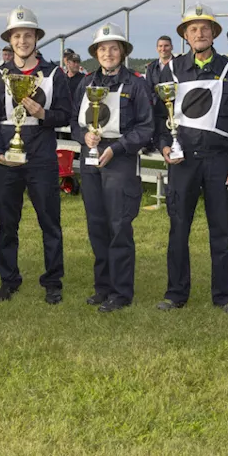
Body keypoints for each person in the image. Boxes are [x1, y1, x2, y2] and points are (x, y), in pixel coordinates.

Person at [156, 3, 228, 315]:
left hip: (219, 162)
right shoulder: (170, 70)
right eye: (192, 29)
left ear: (213, 34)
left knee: (221, 231)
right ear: (185, 35)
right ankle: (175, 293)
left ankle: (224, 296)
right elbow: (158, 117)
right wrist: (163, 145)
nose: (199, 33)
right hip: (183, 163)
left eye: (204, 28)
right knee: (178, 228)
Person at [0, 6, 72, 304]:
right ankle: (9, 279)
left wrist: (43, 114)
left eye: (28, 35)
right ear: (10, 39)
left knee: (50, 222)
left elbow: (65, 115)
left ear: (36, 38)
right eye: (17, 35)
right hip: (8, 160)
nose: (23, 41)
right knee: (8, 223)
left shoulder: (54, 74)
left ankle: (53, 281)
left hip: (42, 158)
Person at [73, 23, 155, 312]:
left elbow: (146, 127)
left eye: (113, 48)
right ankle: (102, 287)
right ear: (96, 53)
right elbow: (74, 122)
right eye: (102, 48)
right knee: (96, 224)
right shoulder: (85, 83)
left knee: (119, 225)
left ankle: (121, 292)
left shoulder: (136, 84)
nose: (108, 53)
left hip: (119, 159)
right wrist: (83, 136)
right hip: (90, 159)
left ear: (122, 52)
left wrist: (116, 147)